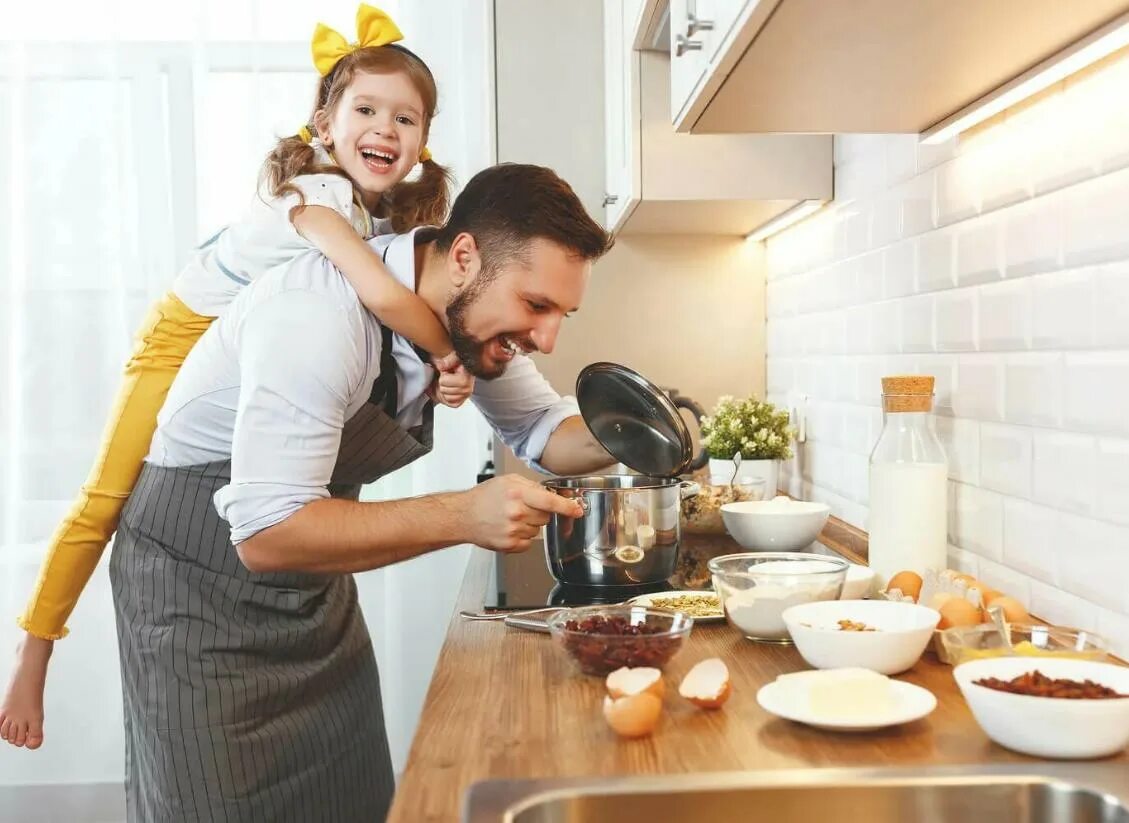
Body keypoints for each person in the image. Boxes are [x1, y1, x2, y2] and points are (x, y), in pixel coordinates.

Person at [0, 3, 474, 751]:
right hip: (181, 336)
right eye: (366, 109)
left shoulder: (381, 220)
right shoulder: (316, 198)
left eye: (406, 118)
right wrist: (452, 352)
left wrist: (436, 374)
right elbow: (385, 297)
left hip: (238, 346)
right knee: (105, 496)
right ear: (323, 124)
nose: (385, 128)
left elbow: (386, 323)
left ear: (421, 143)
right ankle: (32, 656)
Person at [111, 161, 614, 821]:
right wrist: (464, 514)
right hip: (197, 594)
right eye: (535, 305)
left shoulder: (461, 320)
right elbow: (266, 534)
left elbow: (547, 431)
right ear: (464, 255)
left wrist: (652, 429)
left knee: (351, 799)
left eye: (560, 313)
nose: (546, 339)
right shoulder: (317, 316)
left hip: (311, 591)